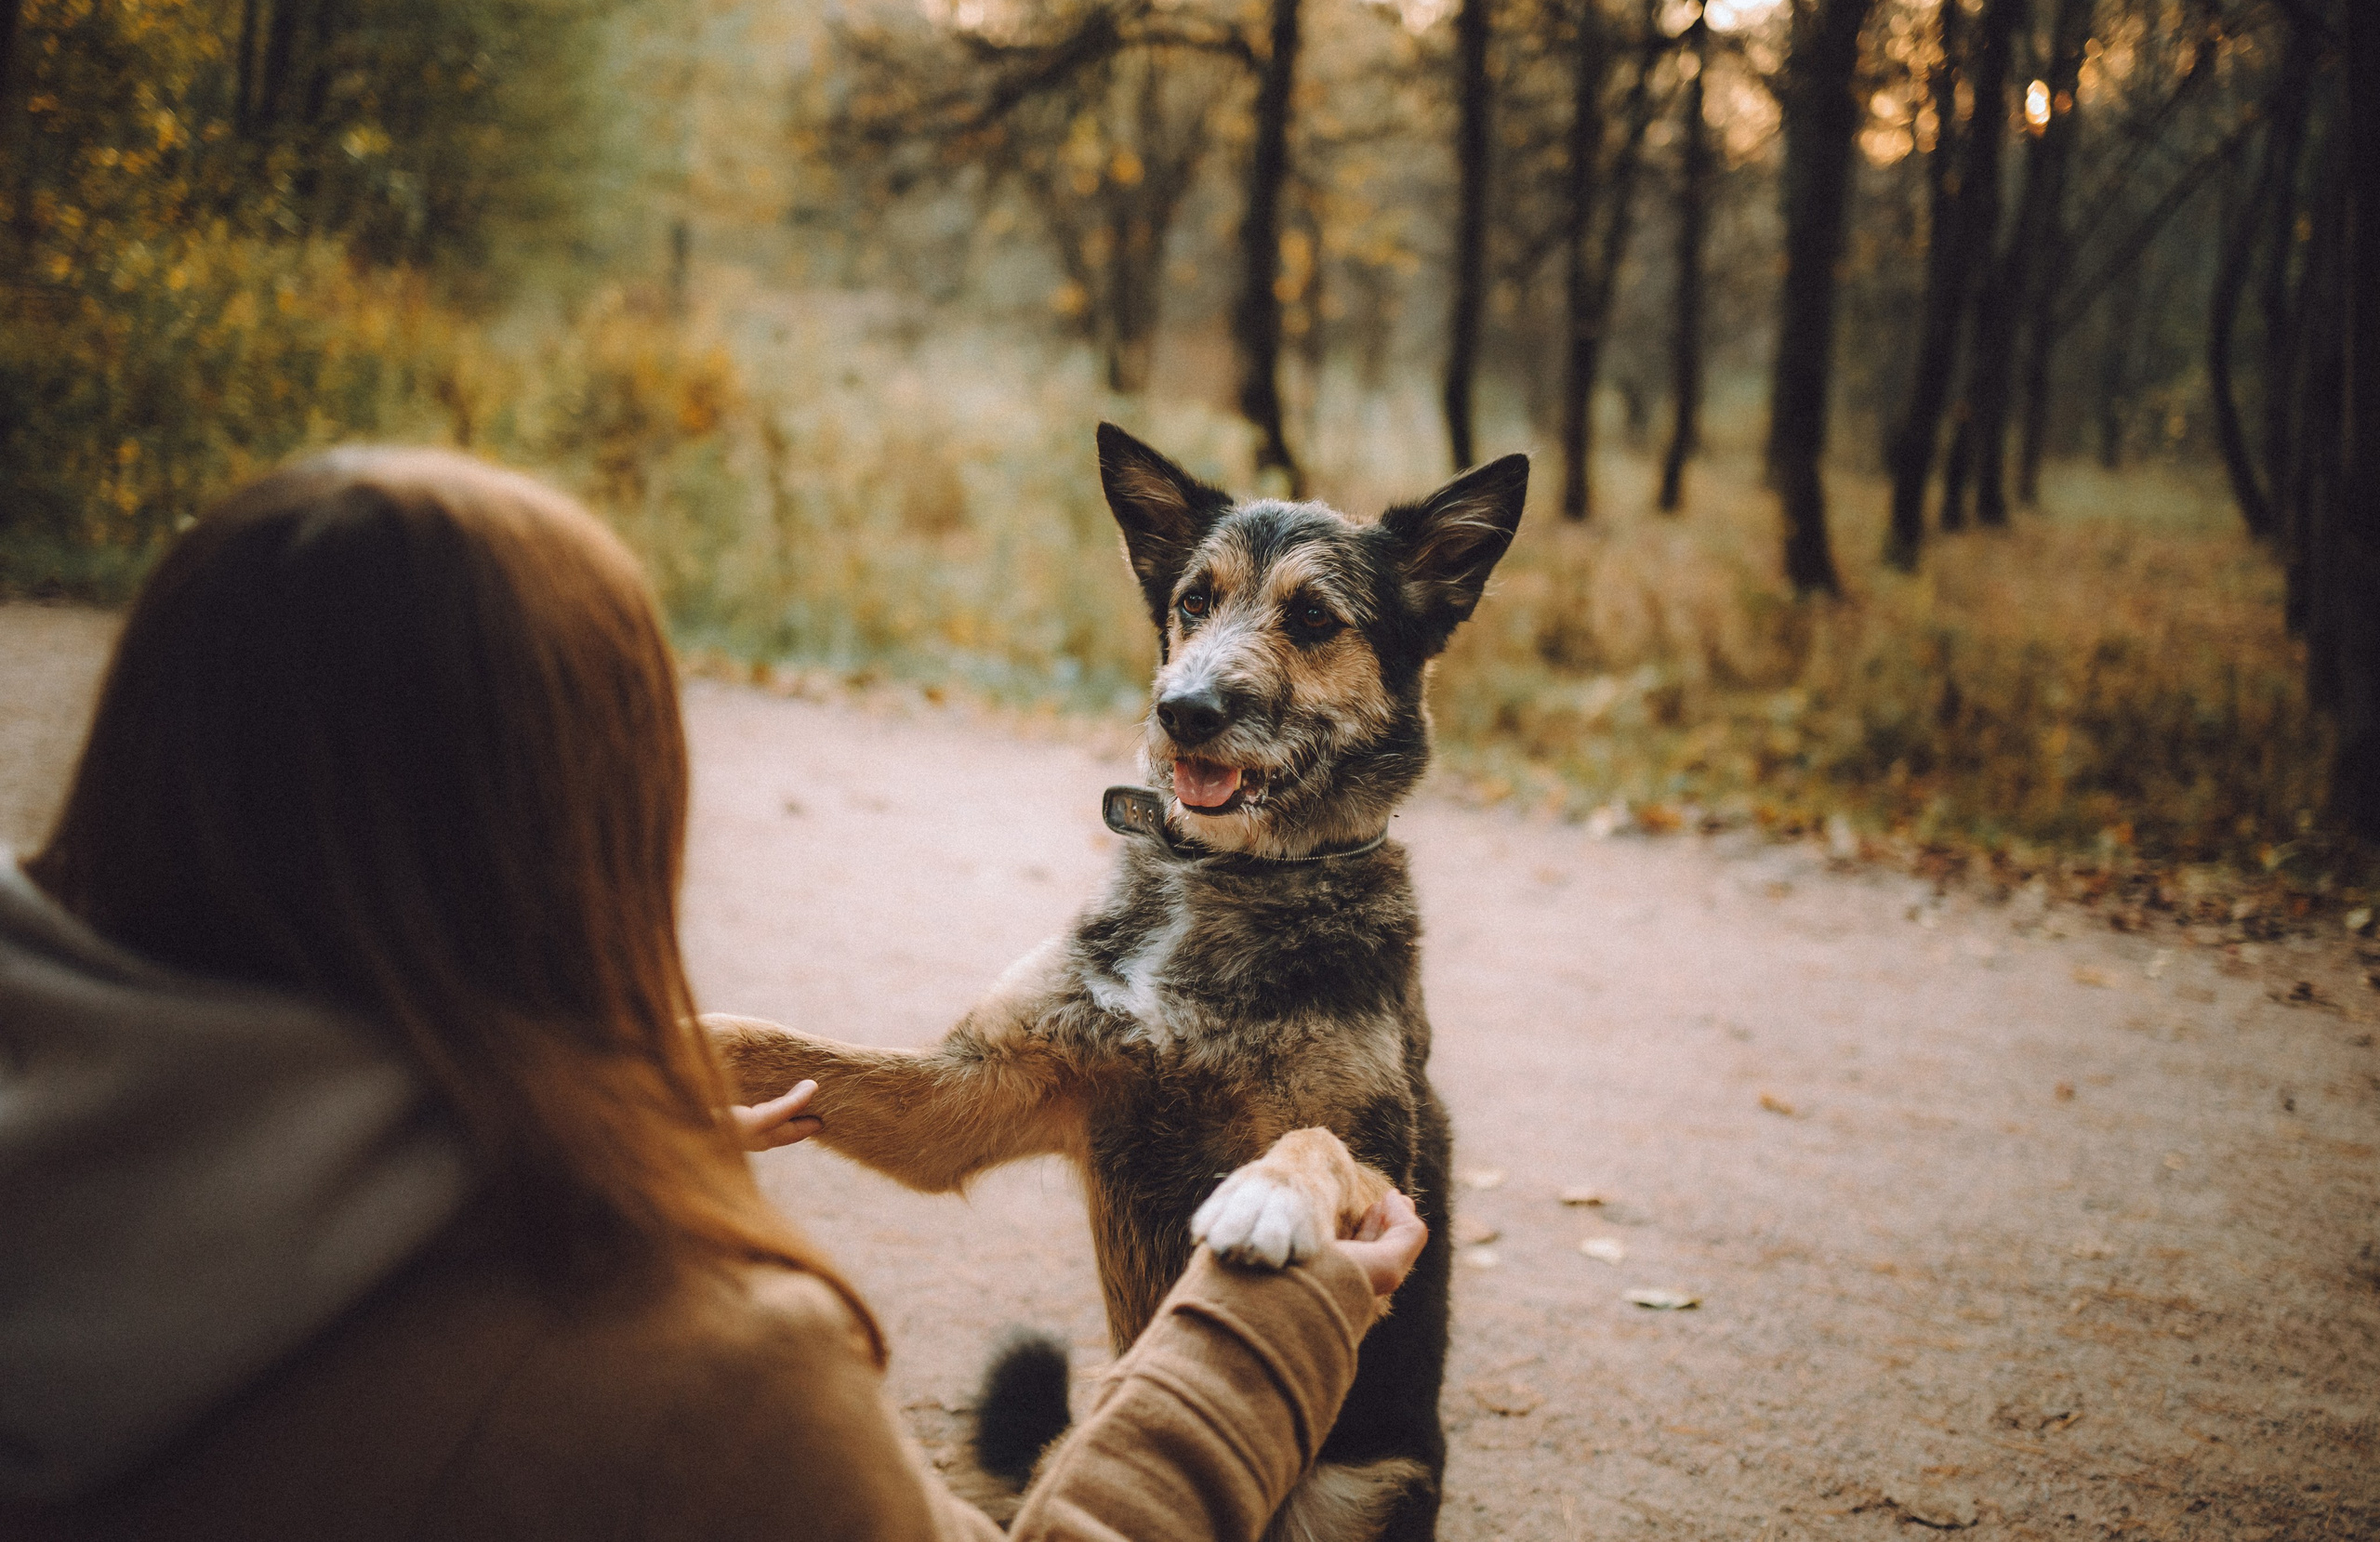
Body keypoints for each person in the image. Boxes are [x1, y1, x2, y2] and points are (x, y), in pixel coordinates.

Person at [0, 448, 1427, 1541]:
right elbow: (942, 1125)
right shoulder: (717, 1389)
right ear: (590, 829)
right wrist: (1252, 1344)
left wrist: (593, 1099)